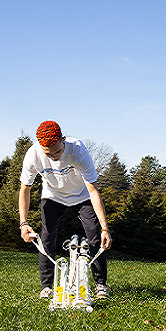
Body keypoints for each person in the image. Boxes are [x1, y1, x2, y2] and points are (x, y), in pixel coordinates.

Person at [19, 120, 112, 299]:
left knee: (94, 237)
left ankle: (100, 285)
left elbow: (93, 190)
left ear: (63, 139)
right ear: (40, 146)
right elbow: (25, 189)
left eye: (58, 152)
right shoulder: (33, 155)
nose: (54, 157)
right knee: (46, 238)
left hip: (82, 195)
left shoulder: (78, 150)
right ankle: (47, 287)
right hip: (52, 196)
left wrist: (105, 228)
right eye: (49, 154)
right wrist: (24, 223)